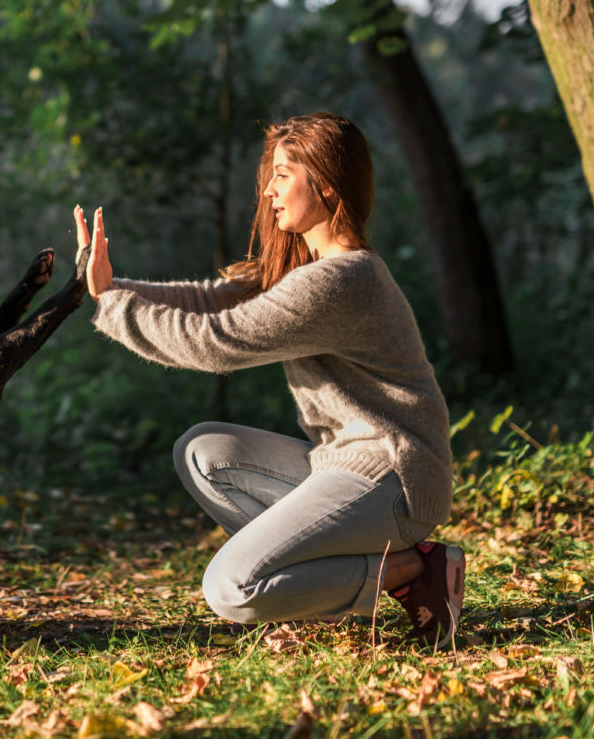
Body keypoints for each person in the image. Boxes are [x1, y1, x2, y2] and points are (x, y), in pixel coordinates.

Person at [72, 112, 465, 649]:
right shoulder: (313, 269)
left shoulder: (342, 280)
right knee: (203, 452)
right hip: (347, 465)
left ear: (326, 183)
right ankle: (316, 585)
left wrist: (114, 305)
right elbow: (211, 300)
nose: (268, 191)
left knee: (231, 588)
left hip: (395, 480)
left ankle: (408, 572)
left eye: (283, 175)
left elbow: (214, 341)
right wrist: (111, 287)